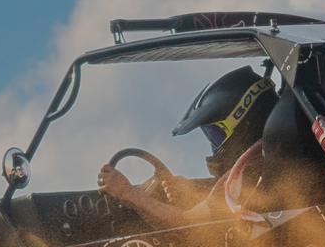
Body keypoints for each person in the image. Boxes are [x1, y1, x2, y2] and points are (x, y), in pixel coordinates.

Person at [96, 65, 277, 230]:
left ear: (246, 122)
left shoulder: (248, 170)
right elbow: (221, 202)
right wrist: (188, 189)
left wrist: (129, 193)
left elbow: (188, 223)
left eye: (216, 133)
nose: (214, 143)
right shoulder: (272, 156)